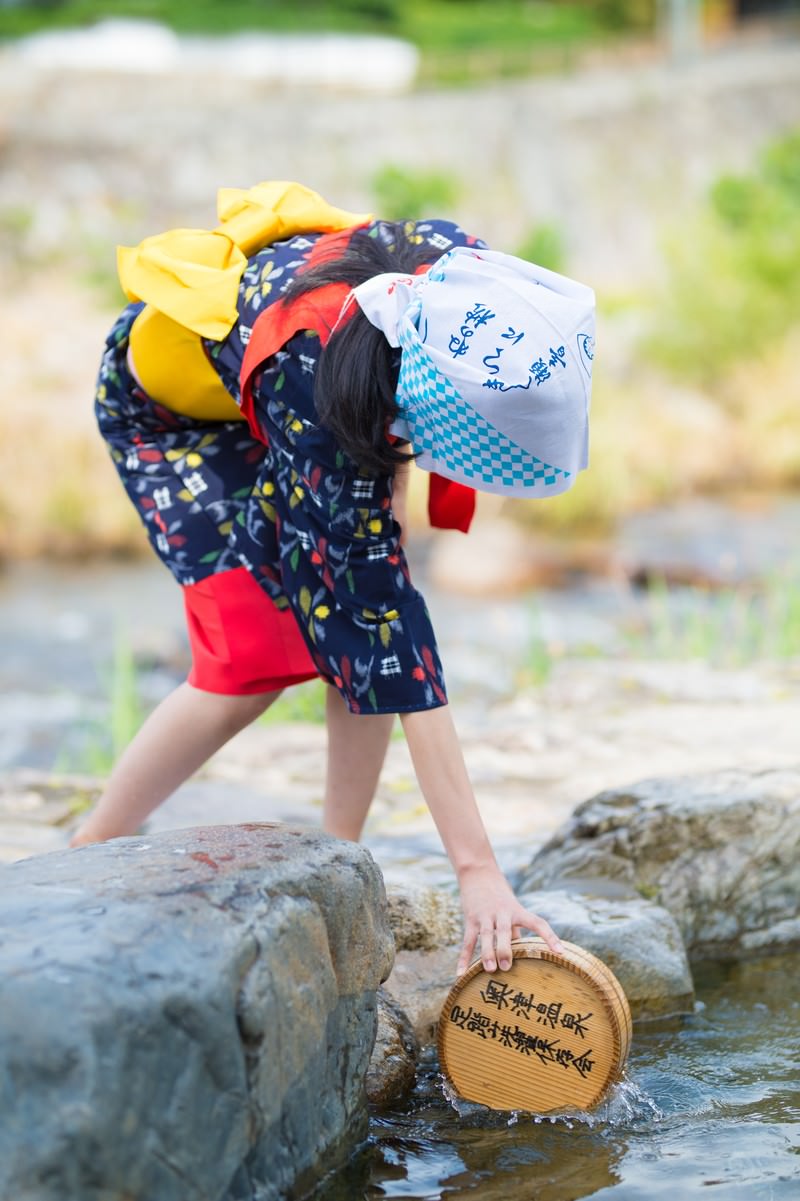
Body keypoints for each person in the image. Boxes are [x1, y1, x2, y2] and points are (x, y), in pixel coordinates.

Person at [70, 181, 595, 976]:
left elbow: (376, 609)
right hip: (181, 418)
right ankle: (85, 852)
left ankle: (333, 856)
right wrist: (478, 871)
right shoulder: (325, 386)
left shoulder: (471, 290)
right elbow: (387, 621)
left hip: (314, 388)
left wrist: (388, 524)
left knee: (359, 618)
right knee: (252, 660)